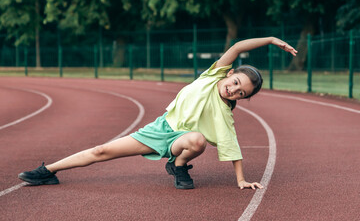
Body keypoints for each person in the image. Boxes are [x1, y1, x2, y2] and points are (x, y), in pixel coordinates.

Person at [18, 37, 297, 190]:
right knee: (102, 151)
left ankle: (177, 166)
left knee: (198, 140)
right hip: (160, 130)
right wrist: (272, 40)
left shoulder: (225, 113)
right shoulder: (212, 76)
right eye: (235, 83)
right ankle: (48, 171)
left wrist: (241, 180)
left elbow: (232, 147)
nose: (234, 91)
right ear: (230, 73)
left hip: (181, 141)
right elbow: (236, 47)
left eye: (241, 94)